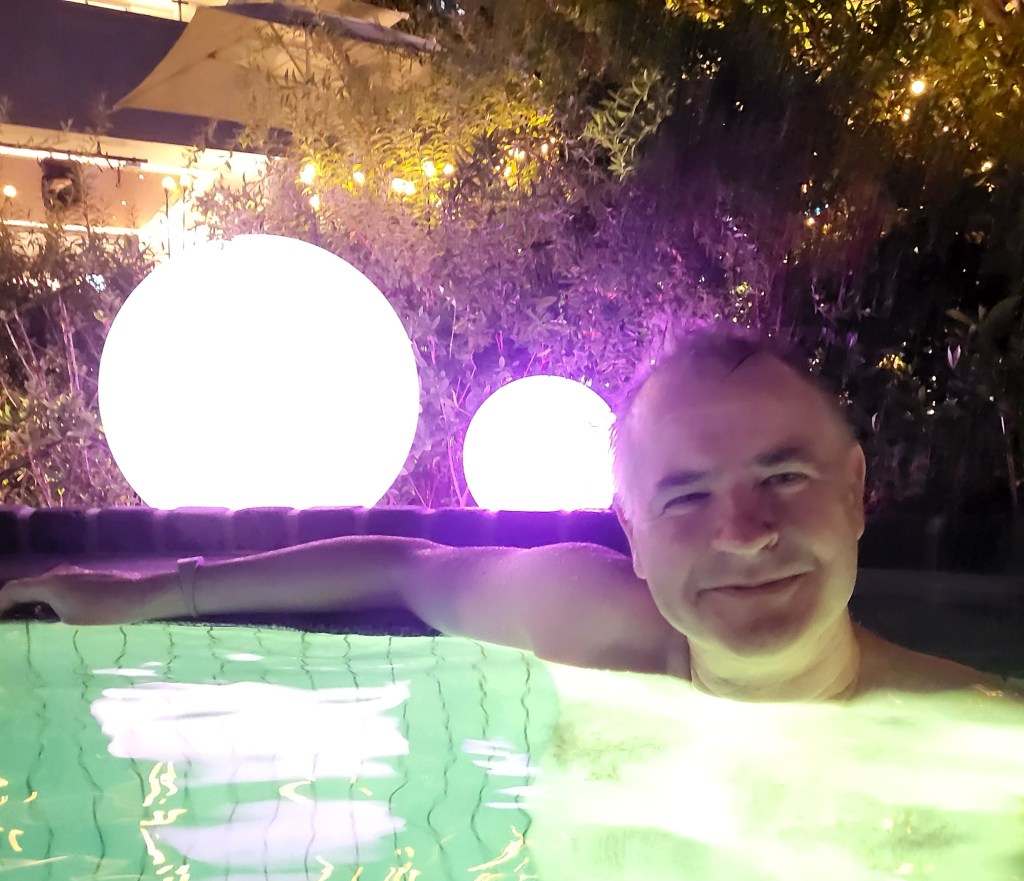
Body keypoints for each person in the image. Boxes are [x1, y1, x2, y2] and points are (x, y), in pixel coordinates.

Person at [0, 328, 992, 700]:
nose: (743, 530)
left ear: (855, 492)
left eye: (784, 477)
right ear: (633, 535)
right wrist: (148, 594)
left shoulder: (976, 734)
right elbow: (401, 566)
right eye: (685, 496)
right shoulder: (592, 620)